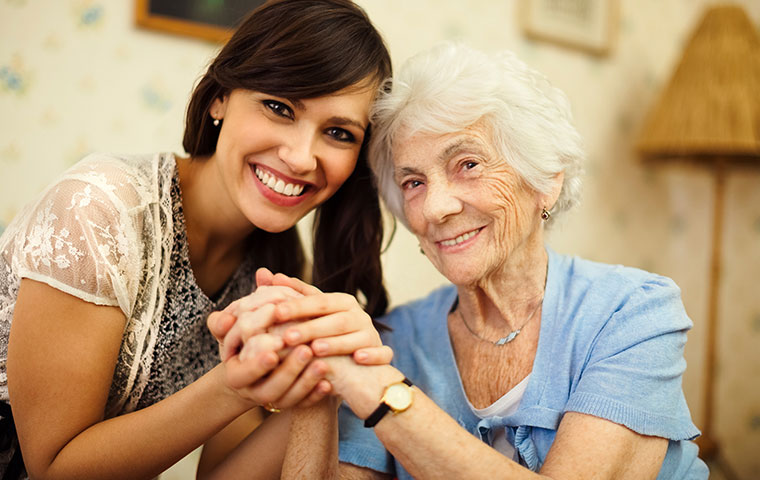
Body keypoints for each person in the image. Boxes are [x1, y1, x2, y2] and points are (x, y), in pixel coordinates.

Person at [218, 43, 709, 479]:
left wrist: (379, 388)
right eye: (413, 182)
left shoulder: (633, 312)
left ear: (546, 179)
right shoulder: (394, 339)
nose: (435, 208)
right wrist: (318, 373)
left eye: (467, 165)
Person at [0, 0, 394, 478]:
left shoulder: (275, 272)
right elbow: (52, 470)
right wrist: (234, 386)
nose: (300, 157)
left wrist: (321, 379)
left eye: (338, 132)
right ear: (220, 97)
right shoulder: (96, 212)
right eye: (279, 107)